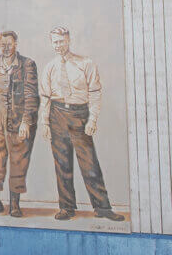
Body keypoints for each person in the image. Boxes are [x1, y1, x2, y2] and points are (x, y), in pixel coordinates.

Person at [40, 26, 124, 222]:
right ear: (51, 43)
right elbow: (45, 97)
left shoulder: (85, 63)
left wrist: (92, 119)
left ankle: (103, 208)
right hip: (57, 114)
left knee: (89, 163)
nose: (58, 45)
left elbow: (95, 92)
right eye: (55, 42)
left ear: (68, 41)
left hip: (79, 114)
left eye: (61, 41)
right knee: (62, 164)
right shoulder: (50, 67)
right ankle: (66, 208)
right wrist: (45, 123)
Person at [0, 31, 39, 217]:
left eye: (9, 44)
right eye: (2, 44)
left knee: (18, 161)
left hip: (17, 119)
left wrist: (26, 121)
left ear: (16, 44)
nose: (5, 48)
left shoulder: (27, 64)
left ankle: (14, 205)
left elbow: (31, 95)